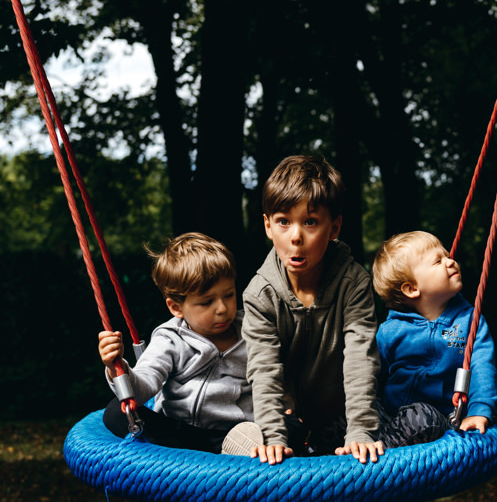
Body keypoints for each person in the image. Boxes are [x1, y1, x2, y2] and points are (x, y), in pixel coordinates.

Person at [242, 155, 382, 465]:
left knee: (383, 441)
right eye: (283, 221)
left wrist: (361, 430)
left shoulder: (353, 282)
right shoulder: (260, 294)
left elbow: (361, 357)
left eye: (310, 222)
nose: (295, 236)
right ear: (267, 225)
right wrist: (272, 436)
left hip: (344, 416)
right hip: (291, 422)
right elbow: (263, 369)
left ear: (334, 228)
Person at [97, 232, 262, 455]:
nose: (222, 308)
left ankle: (237, 449)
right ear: (176, 308)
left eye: (229, 295)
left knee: (290, 426)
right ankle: (169, 453)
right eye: (207, 302)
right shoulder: (170, 338)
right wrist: (116, 368)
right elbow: (143, 386)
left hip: (232, 433)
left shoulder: (251, 331)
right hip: (178, 431)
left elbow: (273, 375)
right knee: (116, 411)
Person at [372, 231, 497, 440]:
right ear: (412, 289)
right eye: (438, 261)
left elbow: (482, 366)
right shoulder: (390, 331)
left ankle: (384, 453)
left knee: (421, 416)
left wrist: (479, 409)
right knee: (348, 412)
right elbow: (374, 376)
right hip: (391, 412)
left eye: (447, 256)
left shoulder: (469, 321)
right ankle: (324, 451)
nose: (450, 262)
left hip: (438, 418)